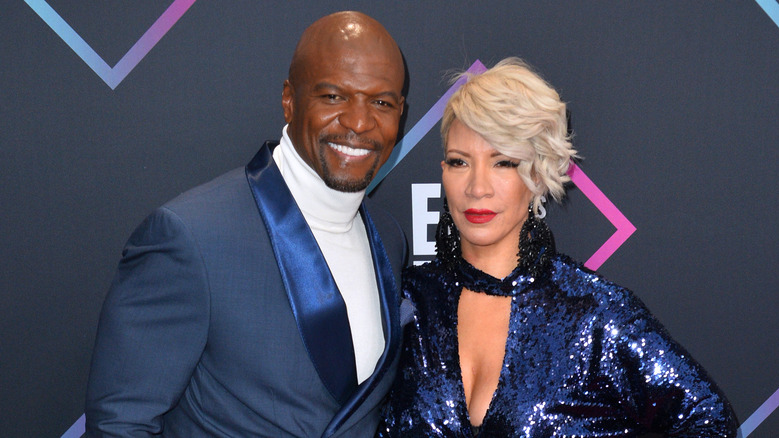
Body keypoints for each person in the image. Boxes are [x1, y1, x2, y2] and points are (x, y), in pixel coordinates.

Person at [86, 11, 407, 437]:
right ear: (290, 100)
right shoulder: (191, 237)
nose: (359, 122)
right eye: (333, 97)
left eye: (381, 102)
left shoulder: (387, 236)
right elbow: (119, 425)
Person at [378, 58, 738, 437]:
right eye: (459, 162)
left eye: (503, 162)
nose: (477, 187)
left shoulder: (594, 314)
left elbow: (708, 419)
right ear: (444, 172)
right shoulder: (404, 303)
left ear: (537, 174)